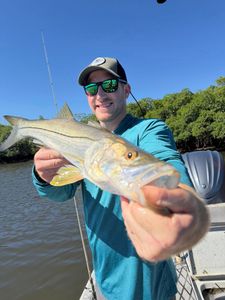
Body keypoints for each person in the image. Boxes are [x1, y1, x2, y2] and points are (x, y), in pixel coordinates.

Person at [32, 57, 209, 300]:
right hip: (106, 282)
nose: (101, 94)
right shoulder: (79, 138)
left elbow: (165, 161)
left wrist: (177, 200)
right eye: (92, 89)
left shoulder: (149, 130)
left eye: (110, 86)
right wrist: (42, 175)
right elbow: (59, 193)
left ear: (126, 90)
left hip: (153, 285)